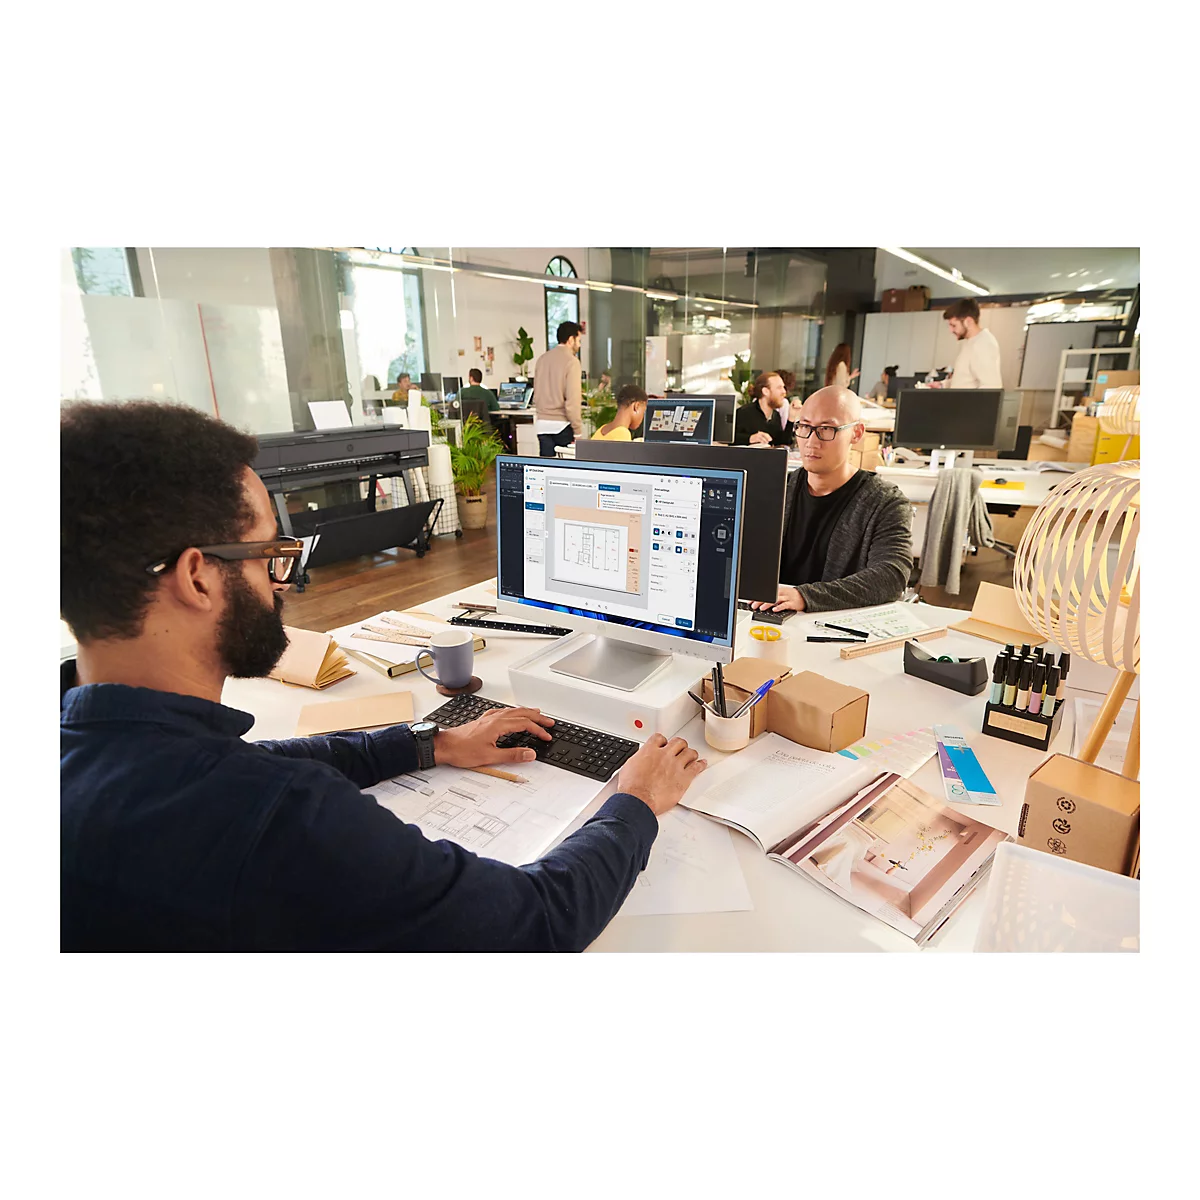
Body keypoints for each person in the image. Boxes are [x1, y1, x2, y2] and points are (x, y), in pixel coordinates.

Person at [59, 401, 708, 951]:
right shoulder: (276, 817)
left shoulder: (92, 756)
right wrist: (635, 803)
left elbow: (248, 765)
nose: (284, 586)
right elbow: (535, 922)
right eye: (270, 557)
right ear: (197, 577)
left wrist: (430, 742)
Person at [748, 387, 913, 614]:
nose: (811, 441)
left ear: (856, 433)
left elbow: (891, 576)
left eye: (826, 429)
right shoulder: (777, 489)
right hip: (768, 622)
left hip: (834, 629)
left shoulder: (885, 502)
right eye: (804, 427)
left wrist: (805, 596)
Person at [533, 321, 584, 457]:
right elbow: (572, 402)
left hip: (542, 425)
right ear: (570, 339)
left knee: (546, 470)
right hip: (562, 426)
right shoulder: (572, 362)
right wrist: (578, 431)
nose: (579, 345)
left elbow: (536, 394)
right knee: (564, 473)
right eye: (578, 340)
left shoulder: (542, 359)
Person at [931, 299, 1002, 389]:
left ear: (968, 321)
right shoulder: (970, 342)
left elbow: (991, 387)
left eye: (954, 325)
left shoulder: (983, 345)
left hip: (969, 403)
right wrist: (943, 385)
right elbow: (965, 380)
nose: (951, 330)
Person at [734, 371, 794, 447]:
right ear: (765, 391)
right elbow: (728, 438)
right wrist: (750, 438)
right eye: (779, 388)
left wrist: (791, 419)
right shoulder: (744, 413)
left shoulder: (775, 415)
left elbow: (782, 442)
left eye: (783, 387)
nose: (784, 392)